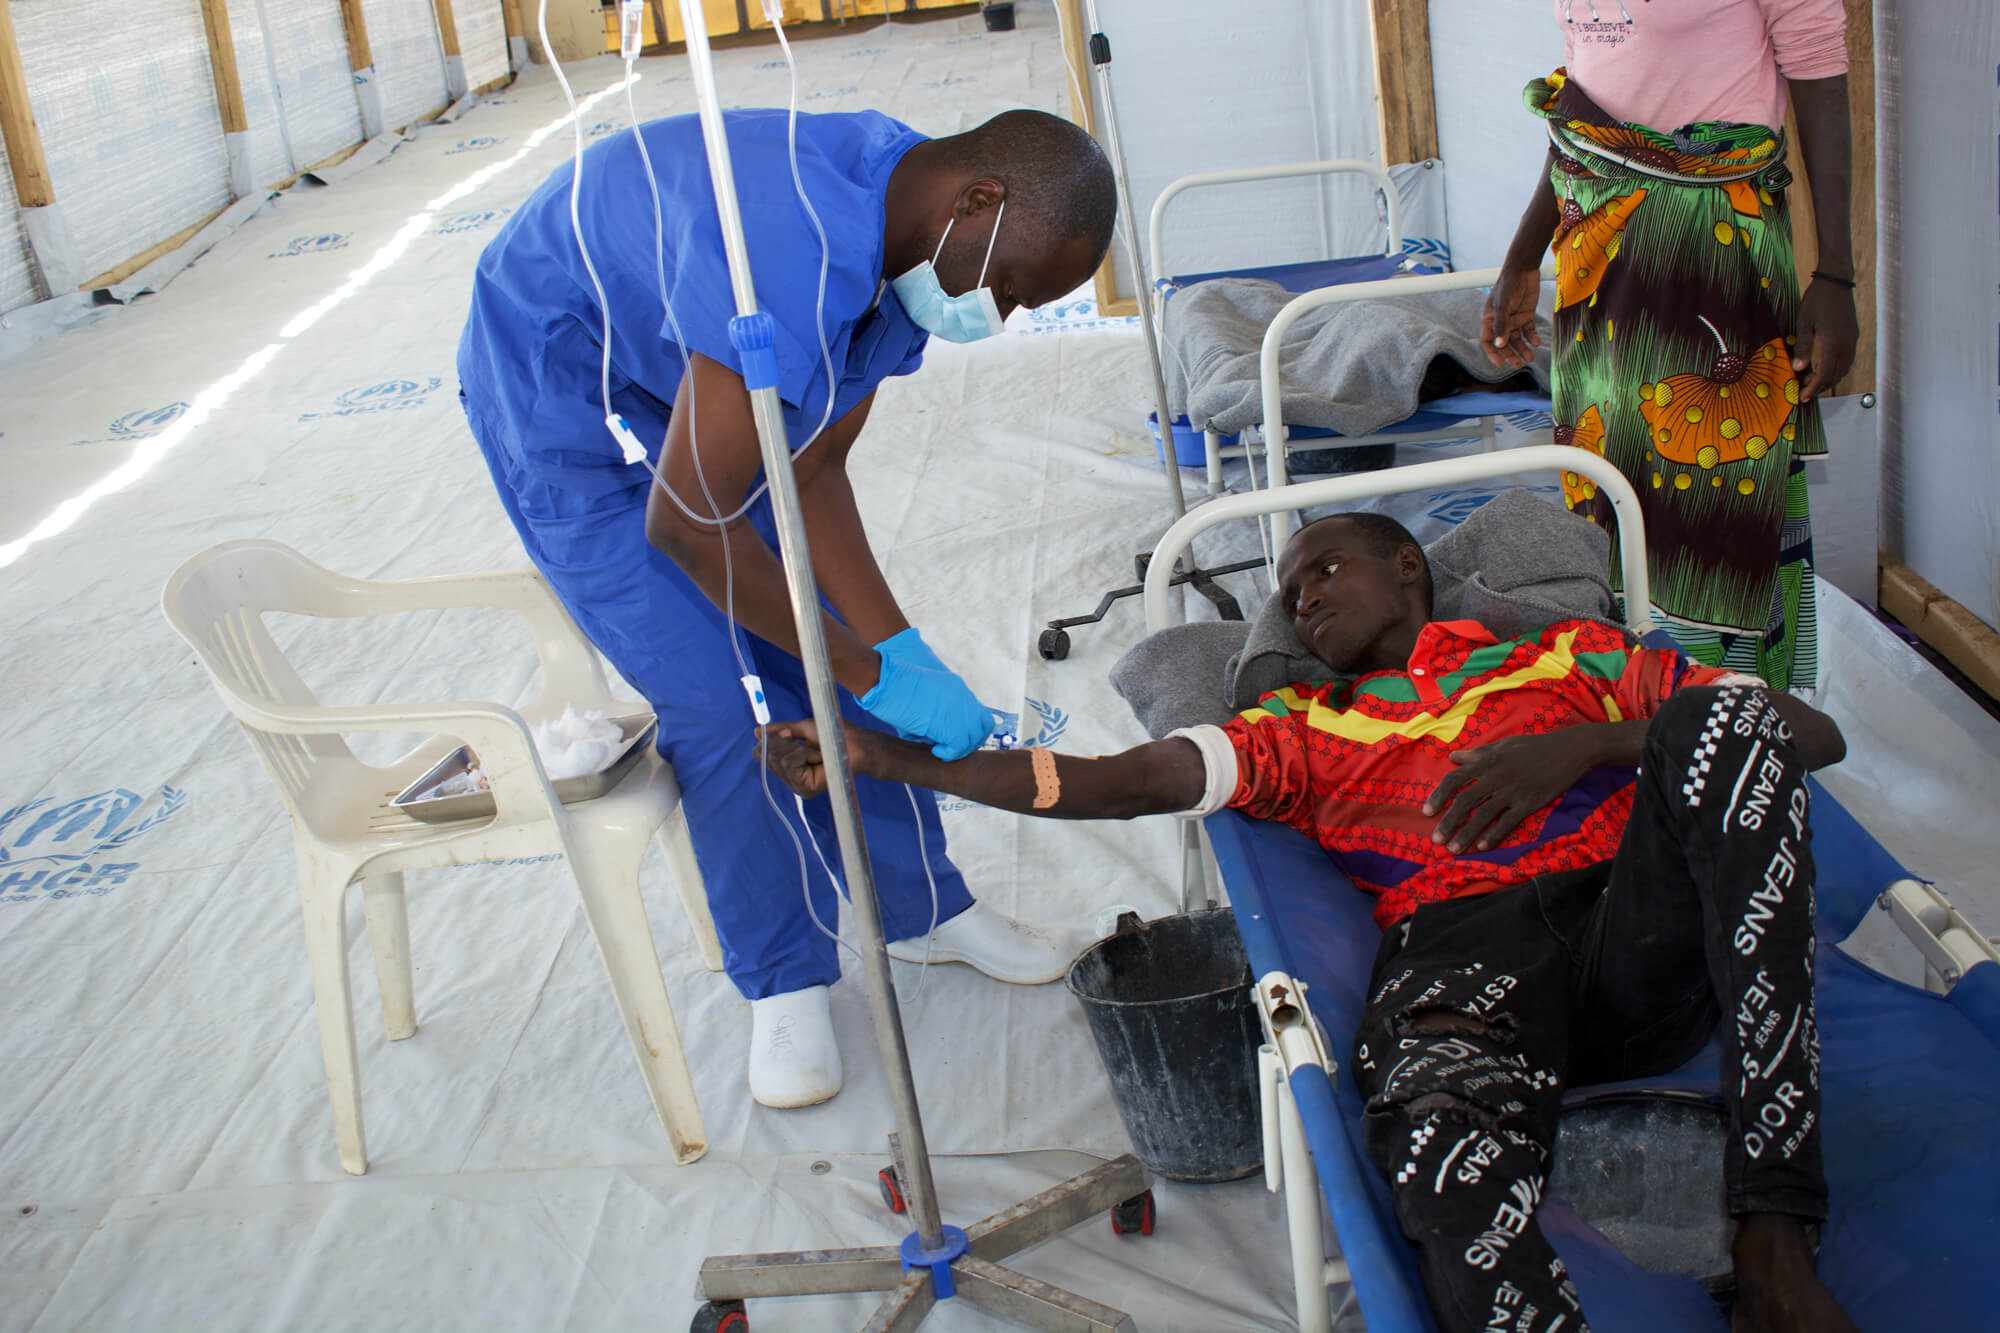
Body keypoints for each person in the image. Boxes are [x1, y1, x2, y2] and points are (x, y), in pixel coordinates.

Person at [760, 512, 1858, 1333]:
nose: (1302, 598)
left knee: (1718, 713)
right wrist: (886, 757)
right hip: (1462, 963)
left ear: (1408, 569)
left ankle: (1769, 1228)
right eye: (1289, 591)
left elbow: (1803, 733)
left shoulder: (1568, 660)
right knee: (1433, 1154)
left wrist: (1584, 745)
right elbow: (1116, 780)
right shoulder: (1293, 725)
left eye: (1323, 568)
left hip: (1632, 933)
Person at [456, 107, 1116, 1109]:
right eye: (1014, 289)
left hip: (678, 331)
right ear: (978, 201)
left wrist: (895, 652)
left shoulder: (911, 247)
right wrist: (857, 666)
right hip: (556, 375)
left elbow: (811, 472)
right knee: (718, 697)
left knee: (830, 647)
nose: (1006, 315)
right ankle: (784, 976)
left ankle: (921, 908)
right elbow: (687, 521)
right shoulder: (787, 251)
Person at [1482, 0, 1857, 693]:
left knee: (1711, 493)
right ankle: (1633, 699)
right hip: (1596, 253)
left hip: (1709, 252)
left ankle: (1729, 710)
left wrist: (1836, 273)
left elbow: (1817, 70)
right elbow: (1586, 98)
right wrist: (1524, 253)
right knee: (1608, 482)